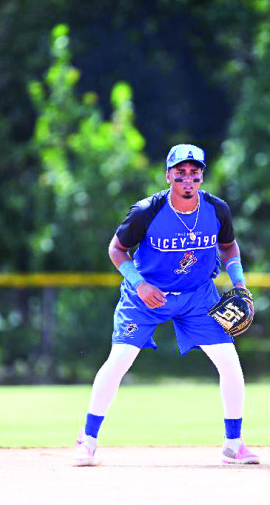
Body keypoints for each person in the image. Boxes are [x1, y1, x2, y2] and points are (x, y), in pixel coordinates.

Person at [72, 143, 259, 466]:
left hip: (197, 296)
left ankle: (233, 444)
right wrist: (139, 284)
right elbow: (117, 250)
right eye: (180, 173)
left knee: (230, 363)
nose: (188, 179)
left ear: (202, 176)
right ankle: (87, 441)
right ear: (168, 175)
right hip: (146, 295)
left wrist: (239, 283)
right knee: (119, 361)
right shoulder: (148, 210)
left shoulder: (216, 209)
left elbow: (229, 247)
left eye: (194, 173)